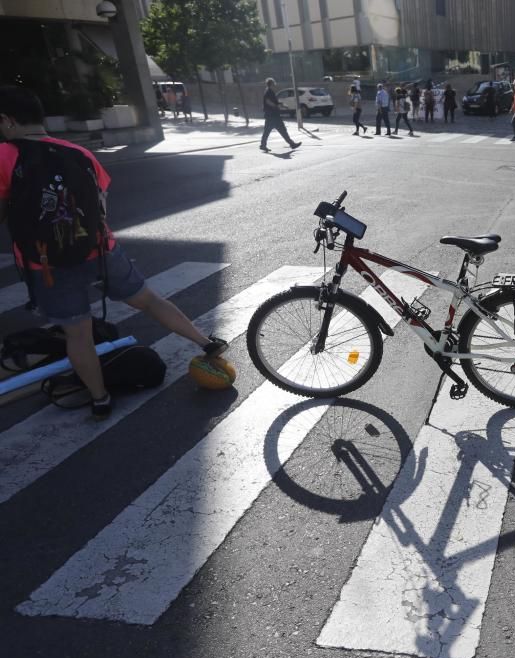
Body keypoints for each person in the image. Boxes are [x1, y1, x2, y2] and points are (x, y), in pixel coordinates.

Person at [0, 85, 229, 420]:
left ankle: (100, 398)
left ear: (6, 120)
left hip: (46, 262)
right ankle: (204, 342)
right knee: (149, 299)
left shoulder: (5, 155)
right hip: (100, 251)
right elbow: (100, 206)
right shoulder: (79, 153)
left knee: (77, 333)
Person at [260, 78, 300, 151]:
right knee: (277, 130)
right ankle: (292, 144)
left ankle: (263, 145)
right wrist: (275, 106)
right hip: (272, 115)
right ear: (271, 84)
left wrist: (282, 105)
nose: (275, 84)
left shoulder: (269, 91)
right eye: (274, 83)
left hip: (272, 115)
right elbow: (268, 101)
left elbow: (273, 102)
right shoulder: (268, 91)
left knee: (274, 130)